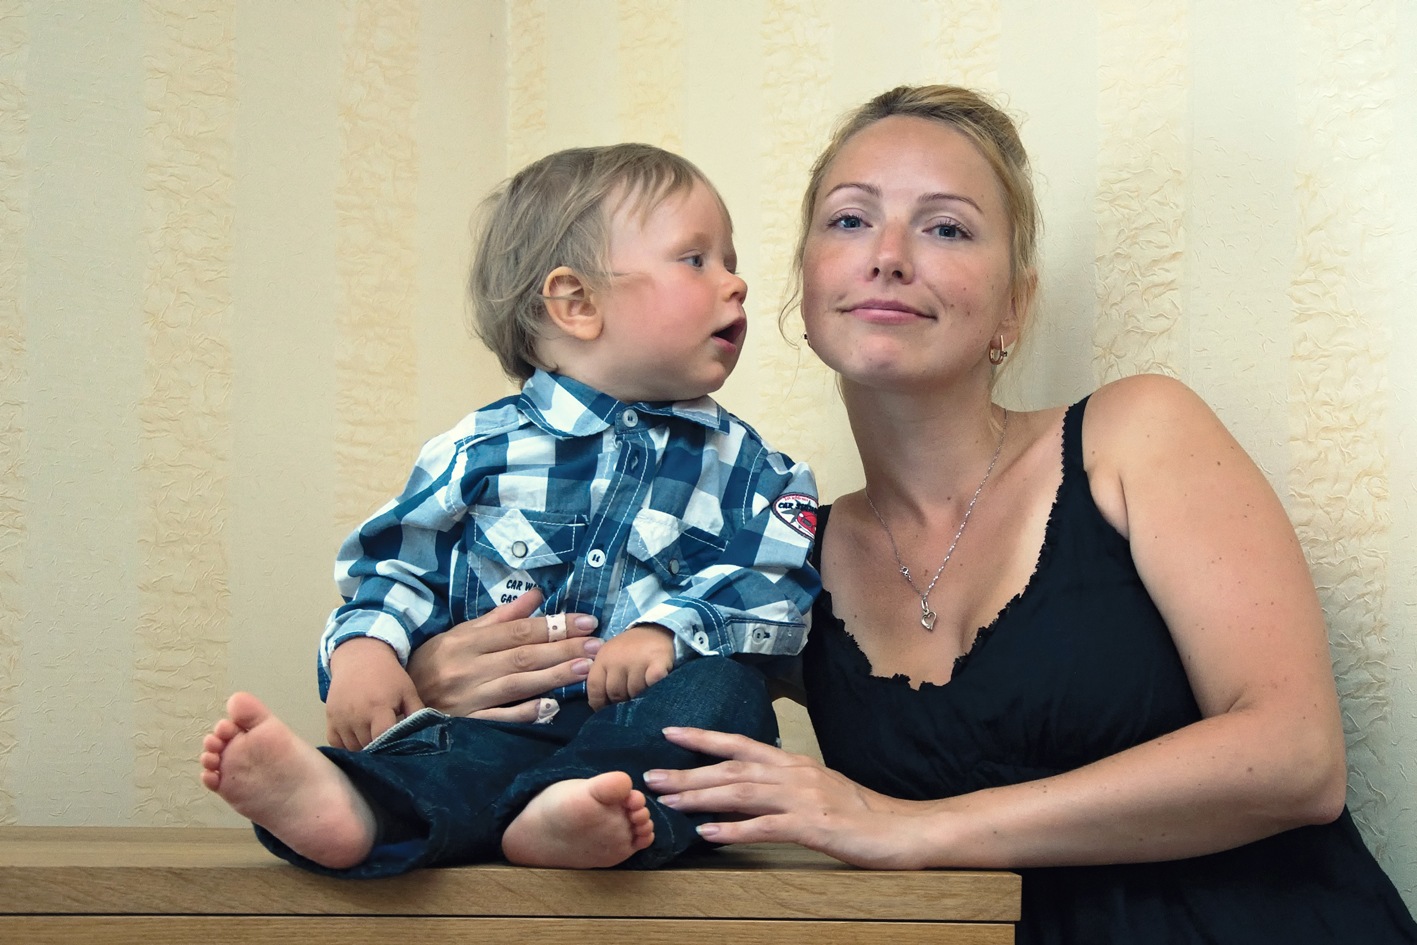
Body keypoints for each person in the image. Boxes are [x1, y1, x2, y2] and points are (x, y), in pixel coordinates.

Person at [408, 86, 1417, 943]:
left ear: (1013, 305)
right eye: (850, 221)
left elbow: (1295, 759)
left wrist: (905, 827)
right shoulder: (769, 555)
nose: (888, 255)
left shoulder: (1133, 435)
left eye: (946, 227)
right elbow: (605, 708)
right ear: (802, 284)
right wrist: (445, 676)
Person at [199, 143, 820, 877]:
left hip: (643, 731)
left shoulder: (752, 468)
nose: (735, 282)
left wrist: (669, 628)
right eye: (696, 260)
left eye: (730, 260)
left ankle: (572, 808)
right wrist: (364, 651)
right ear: (576, 303)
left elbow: (777, 577)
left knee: (727, 696)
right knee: (441, 751)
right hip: (497, 724)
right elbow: (396, 568)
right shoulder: (478, 450)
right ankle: (353, 808)